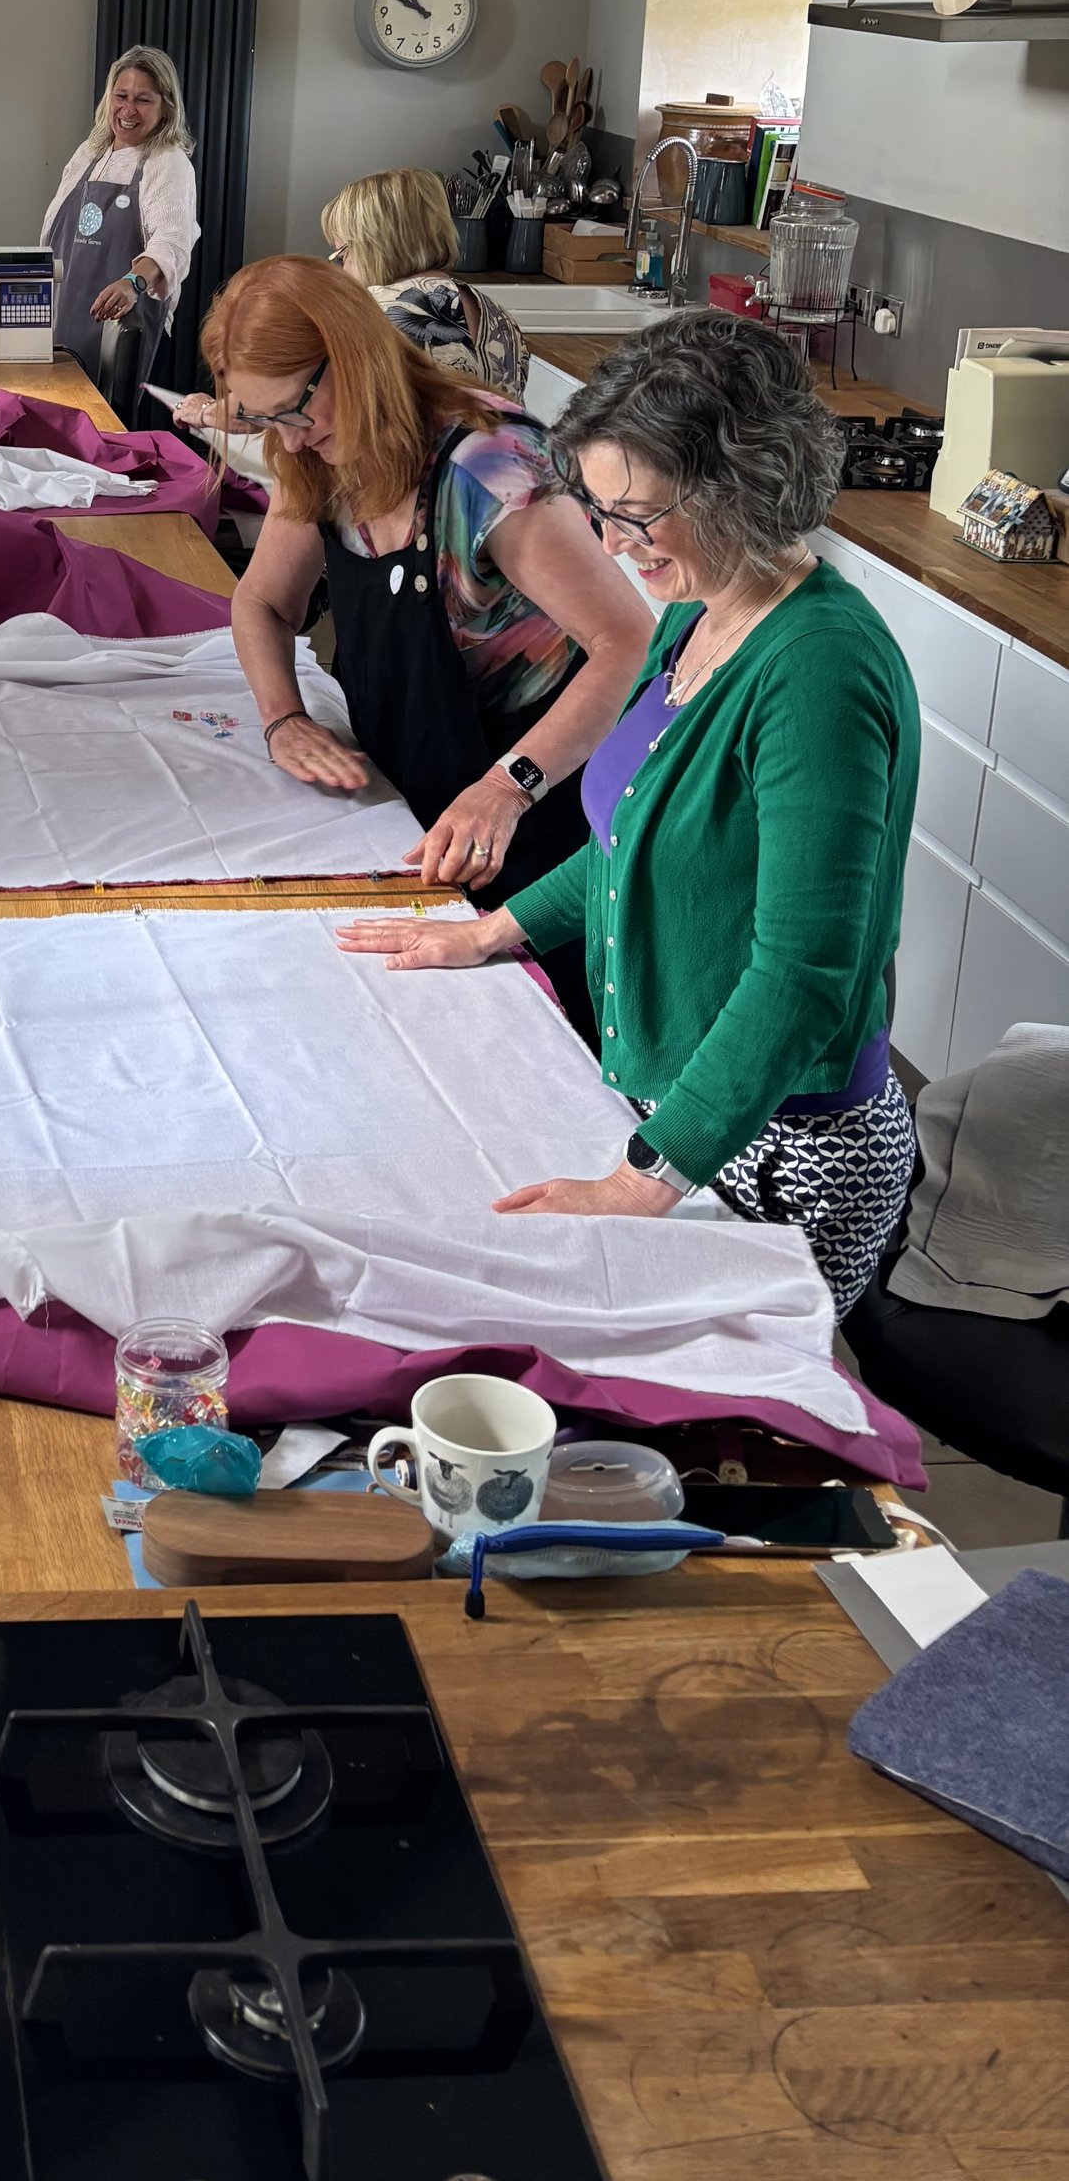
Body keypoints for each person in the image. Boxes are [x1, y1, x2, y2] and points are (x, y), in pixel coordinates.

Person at [335, 312, 920, 1318]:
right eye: (599, 511)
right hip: (686, 1104)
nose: (611, 544)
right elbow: (626, 838)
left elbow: (804, 976)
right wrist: (491, 934)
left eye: (636, 515)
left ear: (743, 485)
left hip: (785, 1147)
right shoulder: (695, 612)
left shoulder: (816, 668)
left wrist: (638, 1180)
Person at [202, 257, 648, 922]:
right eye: (268, 421)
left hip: (545, 830)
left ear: (351, 357)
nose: (290, 443)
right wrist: (283, 718)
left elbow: (630, 641)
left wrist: (508, 784)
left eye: (297, 409)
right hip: (421, 813)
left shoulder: (486, 467)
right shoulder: (319, 459)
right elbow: (263, 602)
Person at [39, 48, 199, 406]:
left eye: (143, 100)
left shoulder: (168, 164)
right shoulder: (88, 153)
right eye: (121, 96)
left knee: (99, 429)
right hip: (63, 317)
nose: (128, 110)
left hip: (115, 324)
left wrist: (132, 282)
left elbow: (172, 241)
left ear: (166, 108)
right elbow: (54, 234)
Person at [322, 167, 531, 398]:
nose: (343, 270)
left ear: (373, 246)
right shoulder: (499, 315)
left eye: (342, 255)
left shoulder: (374, 315)